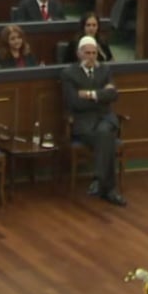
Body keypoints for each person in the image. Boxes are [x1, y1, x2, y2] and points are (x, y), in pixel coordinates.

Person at [60, 37, 126, 206]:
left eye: (94, 53)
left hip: (106, 119)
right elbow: (74, 102)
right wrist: (101, 96)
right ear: (79, 54)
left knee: (104, 131)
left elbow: (113, 95)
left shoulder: (105, 70)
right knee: (105, 136)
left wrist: (90, 94)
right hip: (84, 123)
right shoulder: (68, 74)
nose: (91, 57)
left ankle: (101, 183)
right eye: (87, 53)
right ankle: (109, 189)